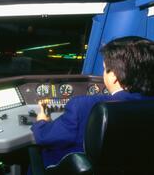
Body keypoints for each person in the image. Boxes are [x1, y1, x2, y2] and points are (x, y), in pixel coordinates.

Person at [31, 36, 154, 168]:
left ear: (113, 76)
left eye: (104, 68)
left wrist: (42, 121)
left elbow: (45, 137)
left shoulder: (83, 106)